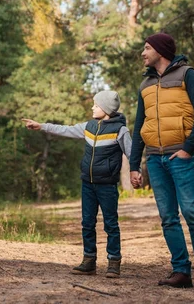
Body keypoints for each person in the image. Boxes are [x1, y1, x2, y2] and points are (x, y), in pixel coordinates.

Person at [129, 33, 194, 291]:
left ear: (160, 50)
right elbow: (139, 126)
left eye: (147, 48)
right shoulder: (145, 84)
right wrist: (134, 165)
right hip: (155, 160)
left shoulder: (187, 75)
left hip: (180, 157)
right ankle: (181, 271)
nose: (143, 53)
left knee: (192, 213)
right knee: (168, 217)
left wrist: (188, 149)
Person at [23, 90, 131, 278]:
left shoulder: (120, 130)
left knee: (110, 223)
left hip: (107, 185)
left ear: (105, 109)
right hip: (87, 183)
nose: (92, 107)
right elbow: (66, 129)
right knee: (87, 223)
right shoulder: (88, 126)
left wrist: (136, 171)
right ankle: (89, 261)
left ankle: (114, 262)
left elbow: (132, 152)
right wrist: (42, 126)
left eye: (96, 105)